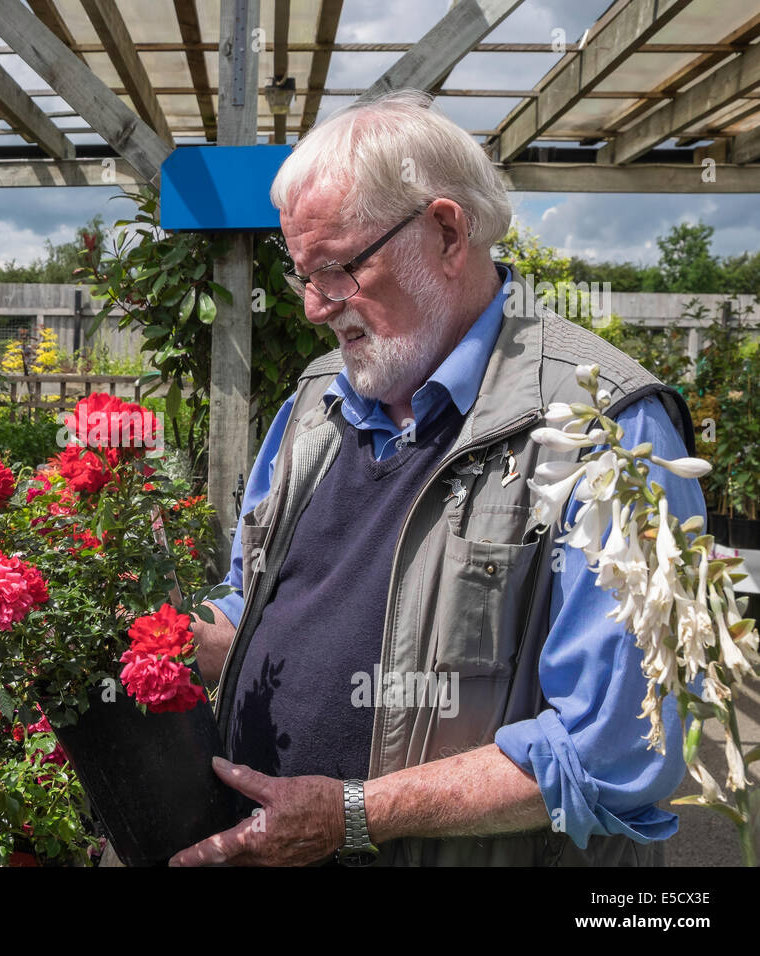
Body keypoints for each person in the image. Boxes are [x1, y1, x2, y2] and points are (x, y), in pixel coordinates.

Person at [171, 91, 705, 867]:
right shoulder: (316, 402)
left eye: (339, 271)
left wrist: (353, 815)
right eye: (301, 277)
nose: (318, 309)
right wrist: (149, 643)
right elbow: (250, 602)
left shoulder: (605, 429)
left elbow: (619, 746)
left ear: (447, 232)